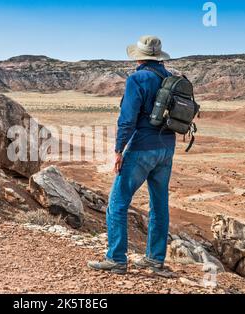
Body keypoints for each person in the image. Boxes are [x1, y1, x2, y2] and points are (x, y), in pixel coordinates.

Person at [88, 35, 175, 274]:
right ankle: (155, 260)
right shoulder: (171, 77)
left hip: (142, 148)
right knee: (159, 205)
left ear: (139, 57)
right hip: (167, 148)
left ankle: (116, 259)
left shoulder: (137, 79)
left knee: (117, 203)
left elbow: (127, 119)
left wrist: (118, 150)